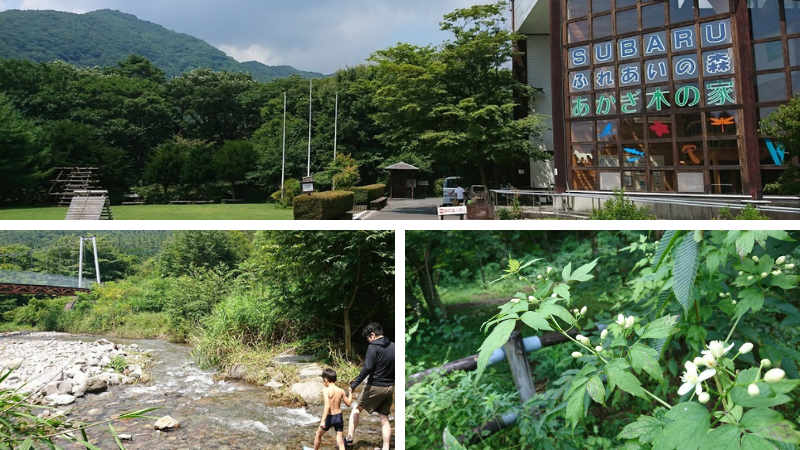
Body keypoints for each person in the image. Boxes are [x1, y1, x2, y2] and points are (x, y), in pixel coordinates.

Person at [346, 323, 394, 450]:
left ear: (372, 335)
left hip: (375, 385)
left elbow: (368, 367)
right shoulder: (394, 346)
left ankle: (349, 440)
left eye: (368, 338)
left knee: (356, 408)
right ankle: (385, 447)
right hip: (389, 387)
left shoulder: (373, 347)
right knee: (384, 418)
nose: (368, 341)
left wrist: (354, 385)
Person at [312, 368, 352, 450]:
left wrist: (323, 420)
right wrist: (350, 393)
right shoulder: (341, 390)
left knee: (318, 435)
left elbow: (327, 406)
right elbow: (348, 403)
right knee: (340, 441)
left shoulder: (325, 391)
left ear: (325, 380)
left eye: (323, 381)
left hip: (330, 418)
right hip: (339, 417)